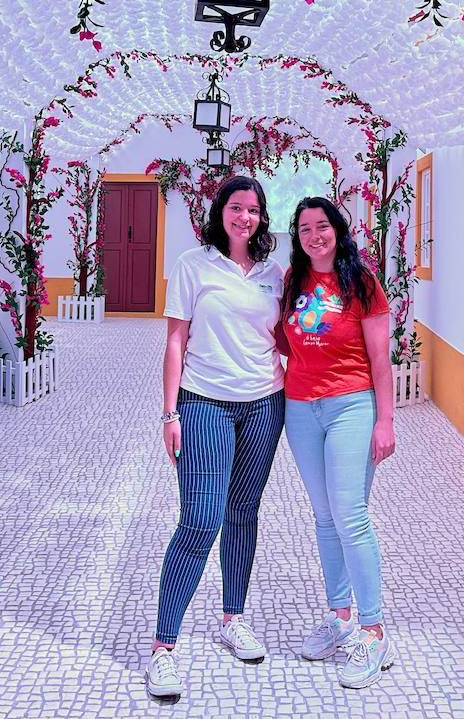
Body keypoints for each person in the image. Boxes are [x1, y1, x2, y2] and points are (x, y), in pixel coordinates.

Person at [145, 175, 287, 701]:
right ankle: (163, 647)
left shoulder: (275, 274)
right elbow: (175, 342)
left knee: (243, 512)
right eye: (235, 207)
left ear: (261, 217)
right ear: (219, 211)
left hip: (264, 405)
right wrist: (169, 413)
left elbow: (288, 336)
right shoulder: (193, 265)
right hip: (203, 402)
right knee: (201, 517)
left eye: (252, 210)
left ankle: (233, 617)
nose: (243, 217)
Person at [280, 196, 397, 689]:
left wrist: (385, 421)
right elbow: (284, 342)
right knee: (325, 517)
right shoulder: (292, 282)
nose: (314, 236)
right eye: (304, 228)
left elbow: (381, 359)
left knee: (350, 514)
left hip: (352, 405)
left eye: (321, 226)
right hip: (301, 408)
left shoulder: (363, 283)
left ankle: (373, 632)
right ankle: (341, 617)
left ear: (337, 229)